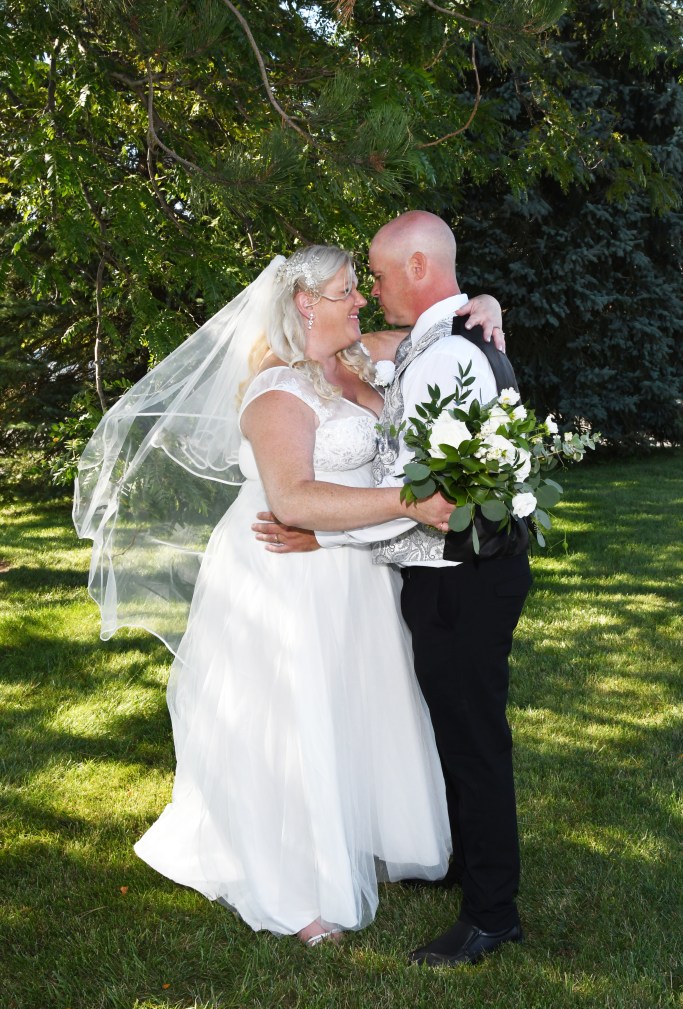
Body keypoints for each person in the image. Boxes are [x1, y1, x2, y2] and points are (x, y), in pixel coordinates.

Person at [74, 245, 500, 947]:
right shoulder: (278, 391)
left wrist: (485, 307)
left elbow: (442, 320)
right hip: (285, 575)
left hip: (350, 570)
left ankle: (349, 835)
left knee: (352, 708)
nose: (360, 299)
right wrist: (410, 501)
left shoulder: (357, 357)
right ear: (305, 303)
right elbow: (293, 498)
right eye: (344, 290)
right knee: (292, 720)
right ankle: (290, 886)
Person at [255, 212, 532, 966]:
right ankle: (467, 869)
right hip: (464, 569)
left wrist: (327, 536)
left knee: (472, 743)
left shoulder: (443, 356)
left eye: (372, 278)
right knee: (453, 731)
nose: (369, 295)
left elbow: (433, 502)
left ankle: (491, 914)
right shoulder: (437, 343)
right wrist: (487, 306)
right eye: (354, 285)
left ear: (415, 268)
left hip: (460, 576)